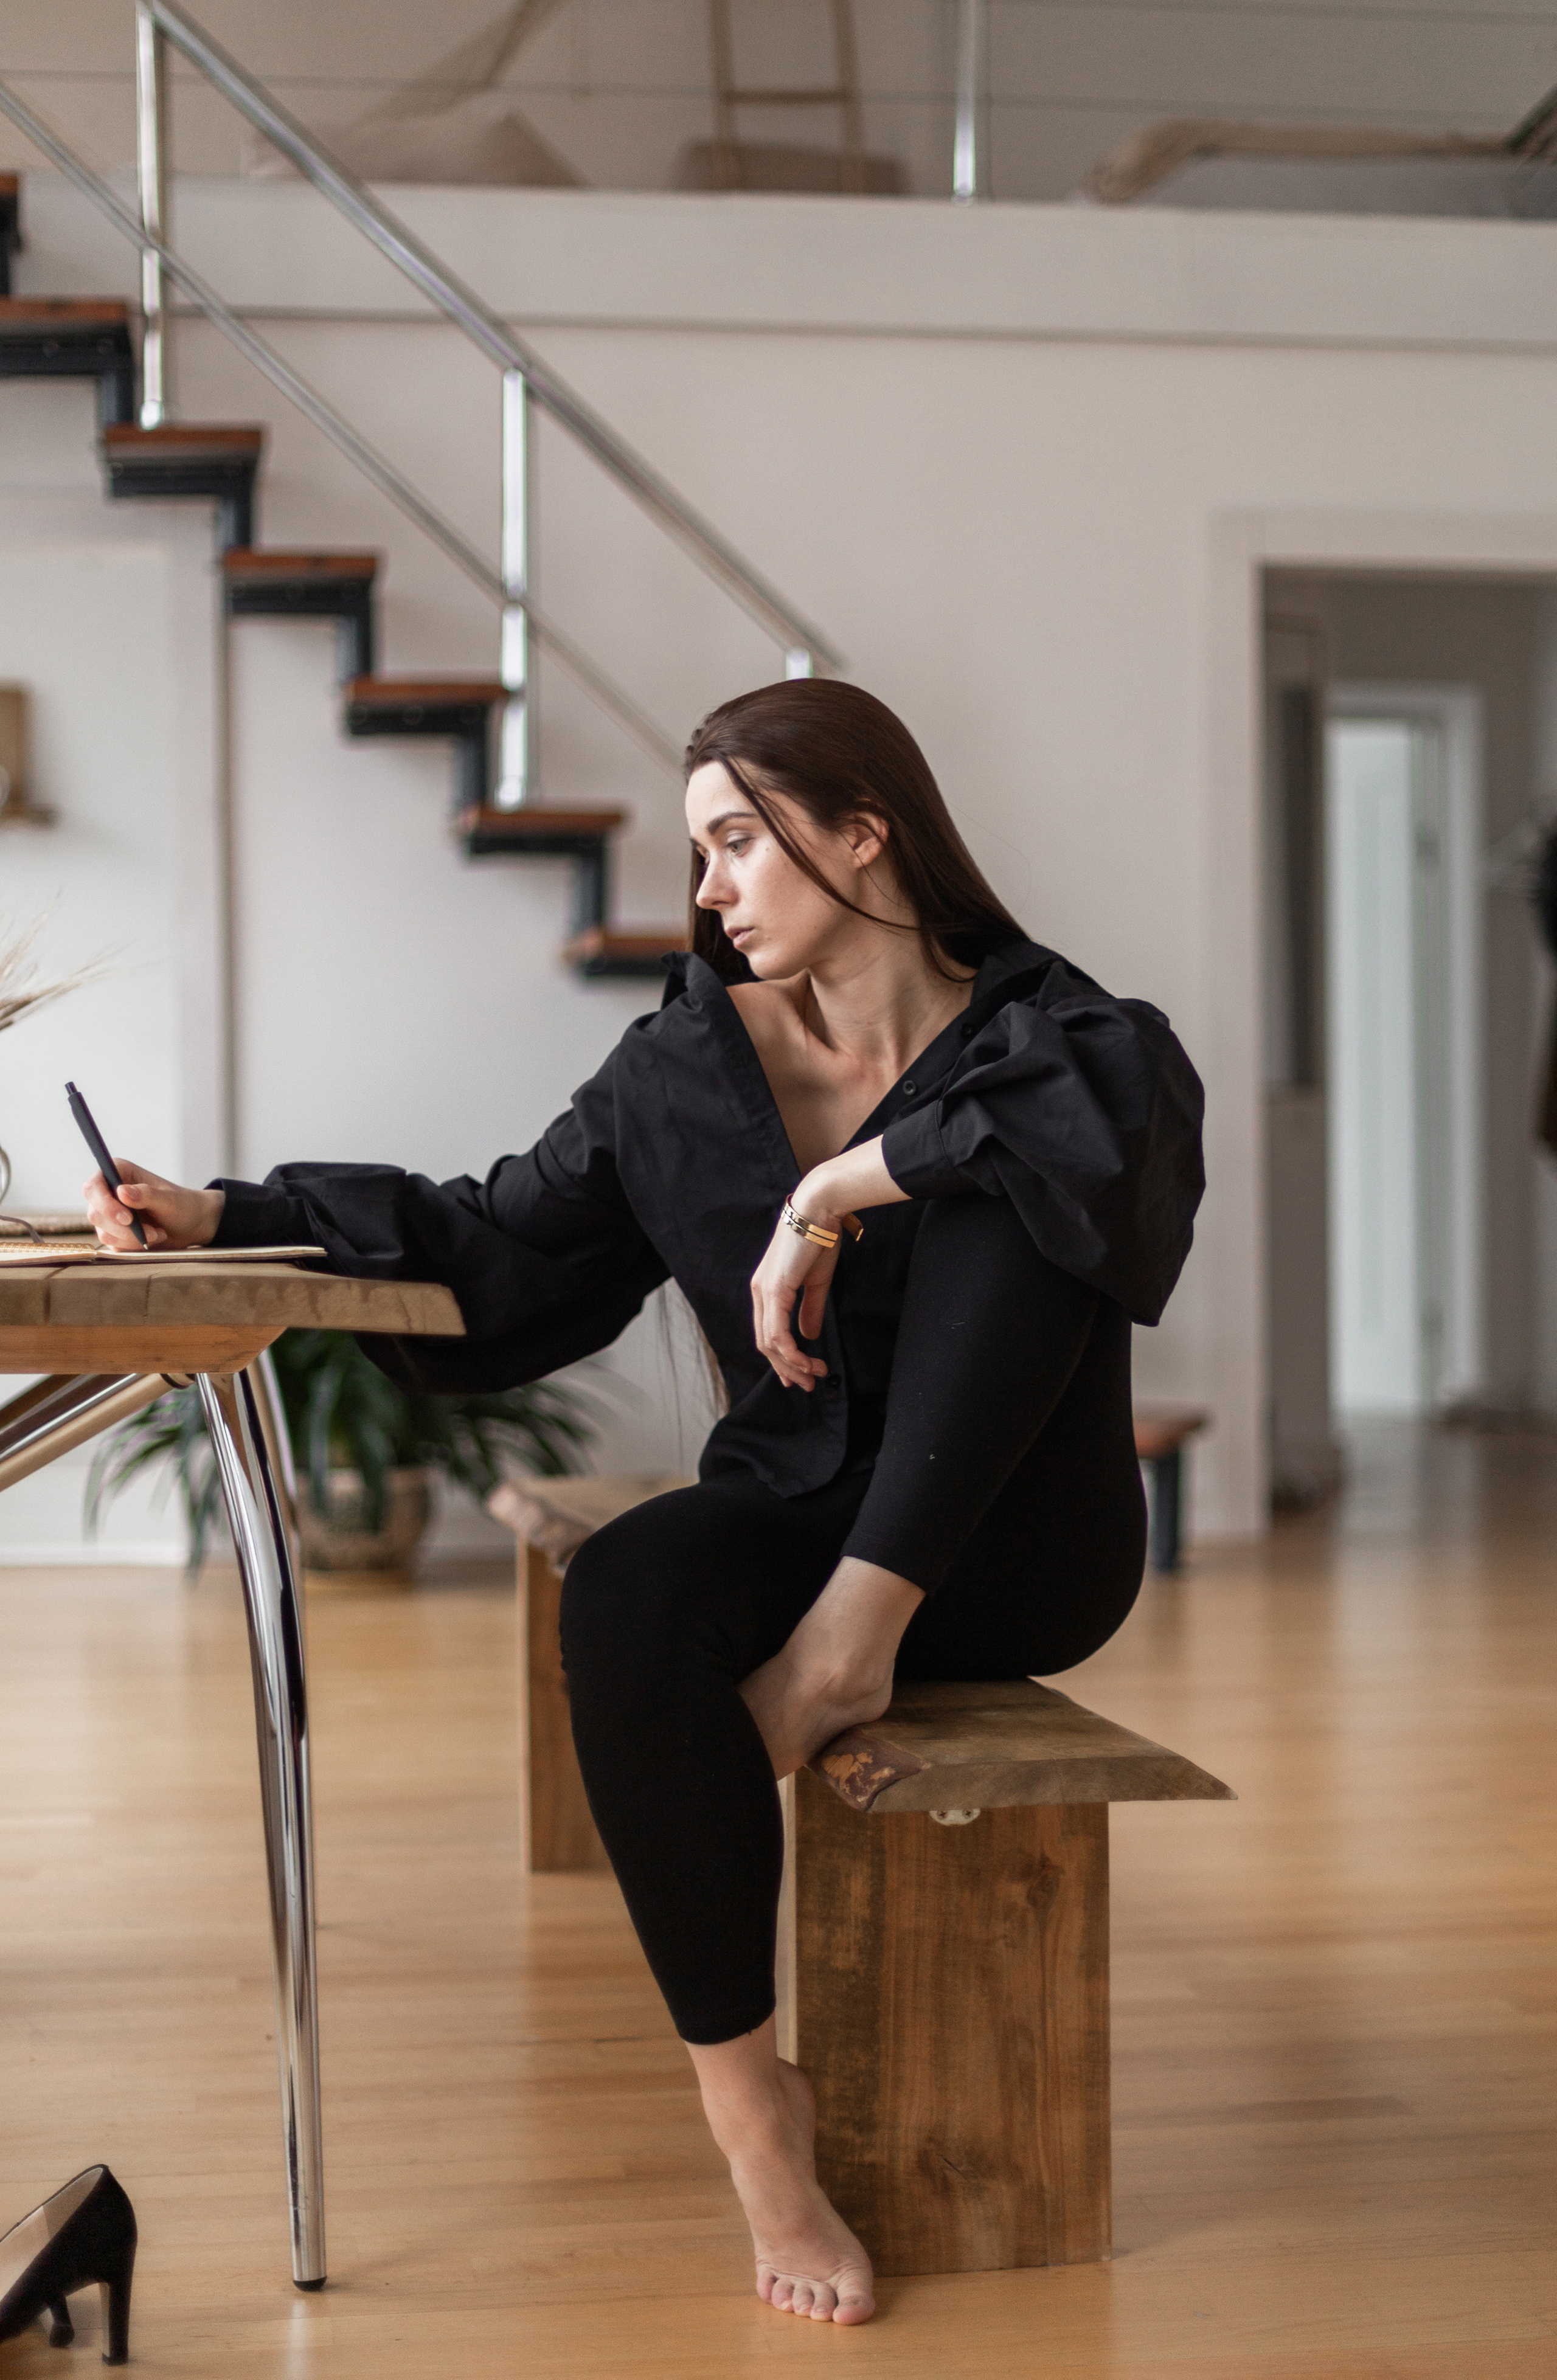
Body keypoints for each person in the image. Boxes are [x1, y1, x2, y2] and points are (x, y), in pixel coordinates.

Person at [85, 679, 1204, 2327]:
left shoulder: (1058, 1032)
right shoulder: (682, 1069)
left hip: (1012, 1548)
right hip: (794, 1509)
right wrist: (230, 1212)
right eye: (699, 853)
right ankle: (755, 2112)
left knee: (1000, 1165)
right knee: (622, 1588)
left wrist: (842, 1184)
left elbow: (1124, 1136)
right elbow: (500, 1248)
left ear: (863, 830)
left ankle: (850, 1644)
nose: (709, 890)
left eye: (740, 840)